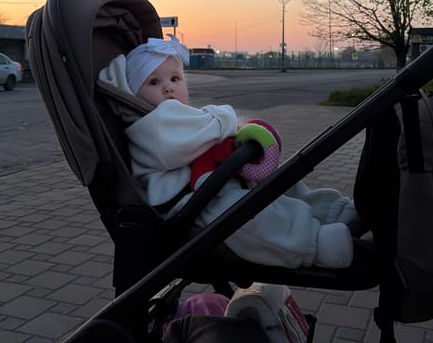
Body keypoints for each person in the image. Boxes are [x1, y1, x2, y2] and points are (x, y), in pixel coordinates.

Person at [98, 36, 360, 269]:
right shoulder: (150, 126)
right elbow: (201, 132)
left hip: (203, 184)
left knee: (276, 182)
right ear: (133, 94)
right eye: (154, 82)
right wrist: (227, 119)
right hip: (185, 202)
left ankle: (330, 210)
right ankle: (312, 243)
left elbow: (197, 130)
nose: (168, 88)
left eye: (175, 79)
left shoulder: (170, 116)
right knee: (241, 216)